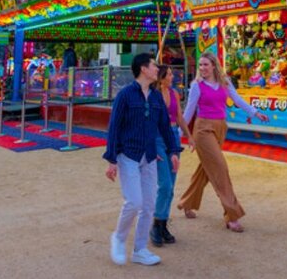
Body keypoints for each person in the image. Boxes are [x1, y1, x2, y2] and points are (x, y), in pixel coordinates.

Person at [176, 52, 268, 233]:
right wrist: (178, 134)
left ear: (214, 66)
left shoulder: (225, 82)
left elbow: (237, 100)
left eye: (205, 65)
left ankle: (187, 202)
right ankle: (232, 215)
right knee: (220, 169)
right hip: (203, 130)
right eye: (200, 65)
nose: (202, 68)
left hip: (220, 128)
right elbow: (188, 112)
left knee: (206, 170)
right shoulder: (196, 86)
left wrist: (255, 113)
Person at [104, 53, 181, 267]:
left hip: (150, 156)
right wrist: (111, 159)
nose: (158, 69)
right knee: (134, 202)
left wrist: (173, 151)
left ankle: (140, 249)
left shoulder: (156, 97)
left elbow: (165, 127)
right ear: (143, 69)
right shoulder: (125, 95)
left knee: (148, 205)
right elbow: (114, 127)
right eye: (154, 66)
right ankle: (118, 239)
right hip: (128, 155)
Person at [150, 64, 194, 247]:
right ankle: (156, 223)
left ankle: (163, 223)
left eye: (171, 74)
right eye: (168, 74)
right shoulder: (153, 95)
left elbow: (180, 117)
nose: (171, 77)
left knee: (172, 184)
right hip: (158, 138)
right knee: (165, 184)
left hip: (173, 137)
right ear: (160, 77)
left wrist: (189, 136)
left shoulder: (175, 93)